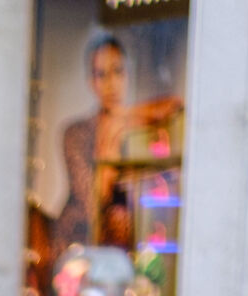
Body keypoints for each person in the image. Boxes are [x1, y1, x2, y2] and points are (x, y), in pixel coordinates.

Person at [54, 32, 181, 252]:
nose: (111, 83)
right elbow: (91, 208)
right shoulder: (76, 133)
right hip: (79, 244)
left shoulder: (135, 124)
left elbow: (175, 105)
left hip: (130, 245)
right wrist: (110, 148)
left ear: (127, 75)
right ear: (91, 81)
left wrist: (122, 118)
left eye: (118, 71)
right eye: (102, 75)